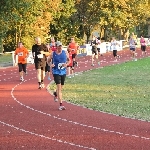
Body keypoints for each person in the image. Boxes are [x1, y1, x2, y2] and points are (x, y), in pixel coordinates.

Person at [47, 41, 70, 110]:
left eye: (61, 46)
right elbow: (48, 61)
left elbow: (69, 60)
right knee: (59, 88)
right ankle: (61, 105)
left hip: (63, 72)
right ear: (56, 47)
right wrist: (51, 65)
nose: (60, 47)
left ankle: (55, 94)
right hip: (56, 72)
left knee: (61, 87)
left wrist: (66, 64)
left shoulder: (65, 52)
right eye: (59, 46)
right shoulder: (53, 54)